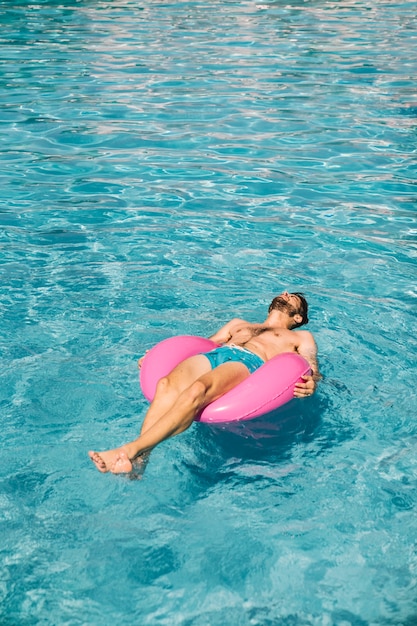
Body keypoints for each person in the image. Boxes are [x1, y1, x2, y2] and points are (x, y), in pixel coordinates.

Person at [89, 291, 320, 474]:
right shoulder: (239, 323)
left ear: (298, 317)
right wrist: (155, 356)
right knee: (166, 385)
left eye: (294, 297)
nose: (286, 293)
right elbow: (202, 344)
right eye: (285, 292)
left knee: (197, 391)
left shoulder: (301, 337)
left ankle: (129, 450)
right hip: (218, 355)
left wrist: (312, 384)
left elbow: (311, 368)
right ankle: (140, 462)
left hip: (249, 362)